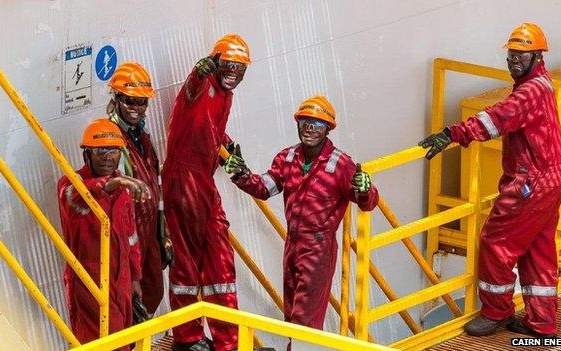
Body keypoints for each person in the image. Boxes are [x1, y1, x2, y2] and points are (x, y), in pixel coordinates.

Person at [418, 22, 561, 338]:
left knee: (496, 241)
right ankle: (542, 323)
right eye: (511, 55)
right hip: (551, 177)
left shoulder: (530, 91)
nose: (513, 61)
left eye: (520, 56)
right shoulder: (541, 84)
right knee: (537, 248)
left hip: (532, 181)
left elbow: (498, 117)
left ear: (537, 57)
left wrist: (453, 133)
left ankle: (496, 311)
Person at [224, 95, 379, 350]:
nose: (310, 128)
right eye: (305, 122)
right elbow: (265, 188)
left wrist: (365, 189)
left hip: (318, 249)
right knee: (291, 316)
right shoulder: (287, 158)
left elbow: (367, 202)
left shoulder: (340, 165)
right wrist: (240, 174)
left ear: (328, 128)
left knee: (305, 320)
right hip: (293, 245)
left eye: (317, 123)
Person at [161, 34, 269, 351]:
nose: (234, 71)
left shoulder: (226, 95)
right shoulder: (203, 83)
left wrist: (228, 153)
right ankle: (188, 336)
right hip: (183, 180)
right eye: (228, 64)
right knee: (186, 264)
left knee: (220, 260)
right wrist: (199, 70)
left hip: (204, 181)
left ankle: (228, 341)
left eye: (240, 67)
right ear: (215, 61)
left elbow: (213, 131)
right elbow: (191, 89)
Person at [57, 119, 151, 348]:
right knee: (96, 340)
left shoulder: (122, 188)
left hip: (122, 279)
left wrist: (136, 277)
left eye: (113, 150)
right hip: (89, 280)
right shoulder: (71, 184)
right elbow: (77, 197)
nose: (108, 157)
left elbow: (132, 238)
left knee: (124, 339)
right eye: (100, 151)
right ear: (86, 154)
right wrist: (111, 183)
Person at [107, 62, 172, 316]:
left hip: (149, 231)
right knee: (129, 302)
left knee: (152, 294)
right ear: (117, 99)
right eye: (130, 101)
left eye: (142, 102)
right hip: (127, 234)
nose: (137, 108)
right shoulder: (109, 138)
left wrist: (163, 233)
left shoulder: (142, 137)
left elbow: (157, 188)